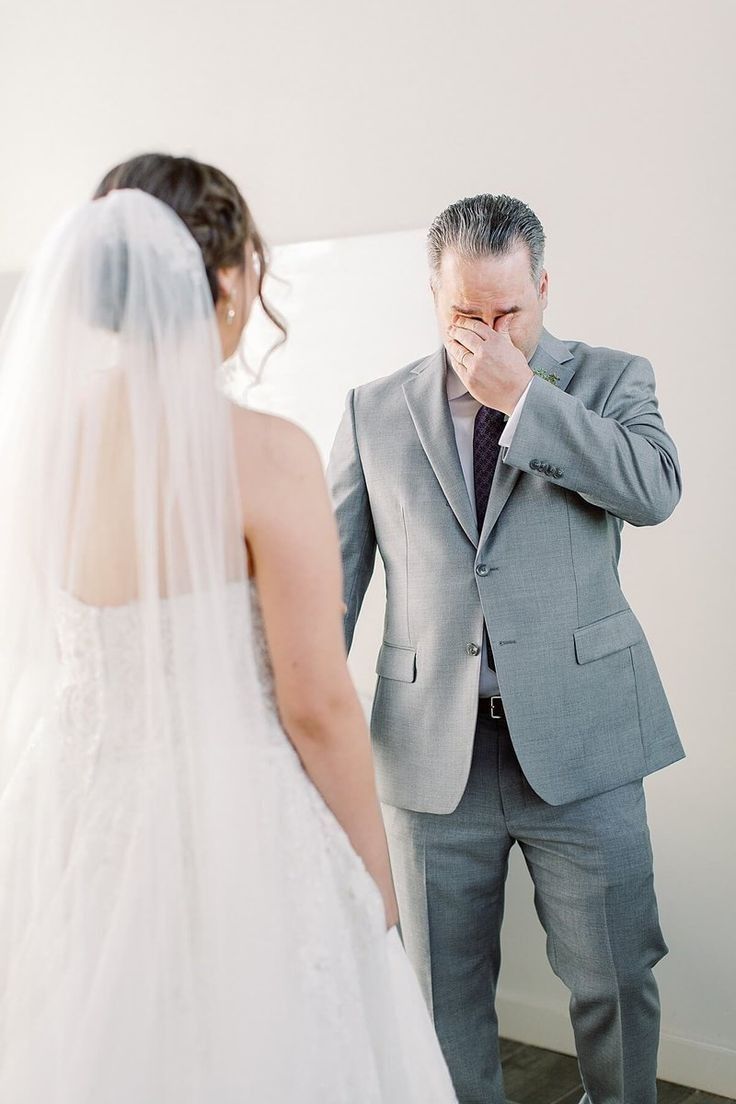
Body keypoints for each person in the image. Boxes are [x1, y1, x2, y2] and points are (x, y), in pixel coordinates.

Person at [0, 154, 459, 1103]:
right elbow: (317, 703)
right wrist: (375, 883)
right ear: (222, 279)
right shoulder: (264, 455)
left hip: (83, 821)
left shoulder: (44, 451)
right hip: (239, 830)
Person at [327, 193, 684, 1104]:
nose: (487, 334)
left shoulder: (610, 380)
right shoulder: (374, 410)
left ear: (544, 290)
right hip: (429, 756)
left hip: (584, 743)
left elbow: (653, 489)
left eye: (507, 313)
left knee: (614, 979)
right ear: (433, 300)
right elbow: (336, 583)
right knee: (440, 999)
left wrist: (523, 398)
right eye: (464, 315)